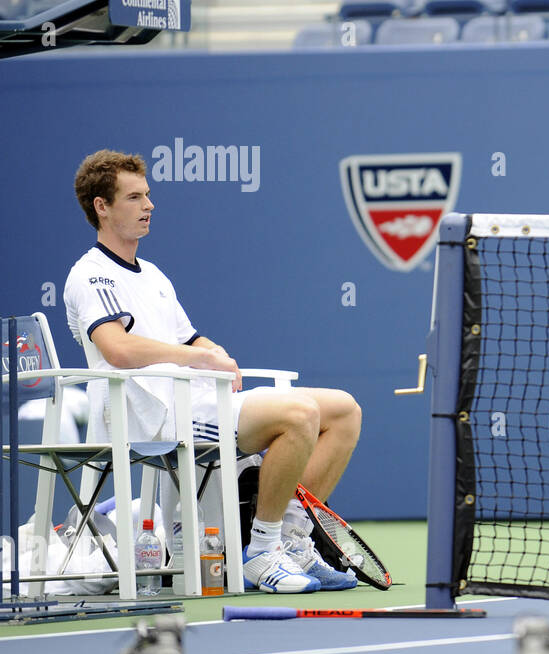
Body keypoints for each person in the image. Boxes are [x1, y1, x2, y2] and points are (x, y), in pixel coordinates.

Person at [64, 150, 362, 593]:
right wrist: (198, 359)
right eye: (134, 197)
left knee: (343, 410)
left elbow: (189, 339)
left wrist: (213, 351)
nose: (149, 206)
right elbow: (118, 348)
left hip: (201, 400)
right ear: (101, 207)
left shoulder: (154, 276)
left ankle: (295, 540)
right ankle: (262, 551)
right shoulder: (89, 276)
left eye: (147, 195)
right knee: (299, 415)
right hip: (157, 417)